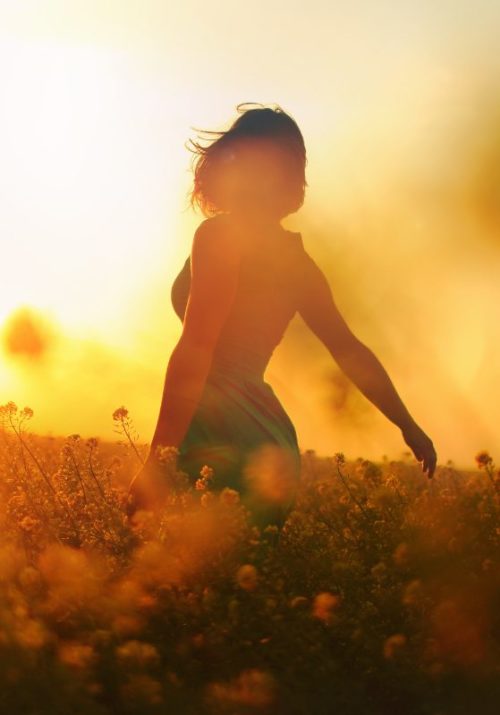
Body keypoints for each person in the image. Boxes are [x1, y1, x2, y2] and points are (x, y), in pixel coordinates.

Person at [127, 102, 437, 530]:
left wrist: (158, 462)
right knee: (240, 586)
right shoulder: (298, 262)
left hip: (216, 433)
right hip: (271, 444)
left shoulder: (220, 237)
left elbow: (197, 346)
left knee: (182, 576)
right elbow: (348, 350)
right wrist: (409, 426)